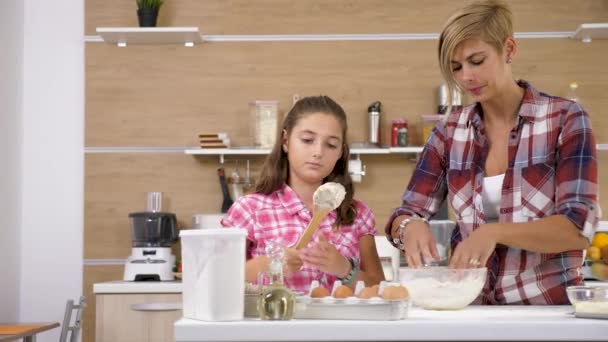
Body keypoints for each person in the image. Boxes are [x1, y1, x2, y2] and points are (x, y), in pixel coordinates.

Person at [386, 0, 601, 305]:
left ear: (509, 50)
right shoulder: (448, 132)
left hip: (547, 311)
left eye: (477, 61)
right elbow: (406, 213)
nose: (466, 77)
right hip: (472, 311)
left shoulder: (564, 119)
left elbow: (576, 228)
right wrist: (409, 226)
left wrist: (493, 232)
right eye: (456, 67)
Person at [222, 95, 385, 293]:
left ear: (340, 152)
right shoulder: (249, 209)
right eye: (307, 140)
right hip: (275, 323)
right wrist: (269, 264)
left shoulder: (358, 214)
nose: (318, 152)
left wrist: (344, 269)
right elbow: (221, 278)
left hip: (340, 325)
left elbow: (379, 286)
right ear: (285, 141)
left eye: (331, 145)